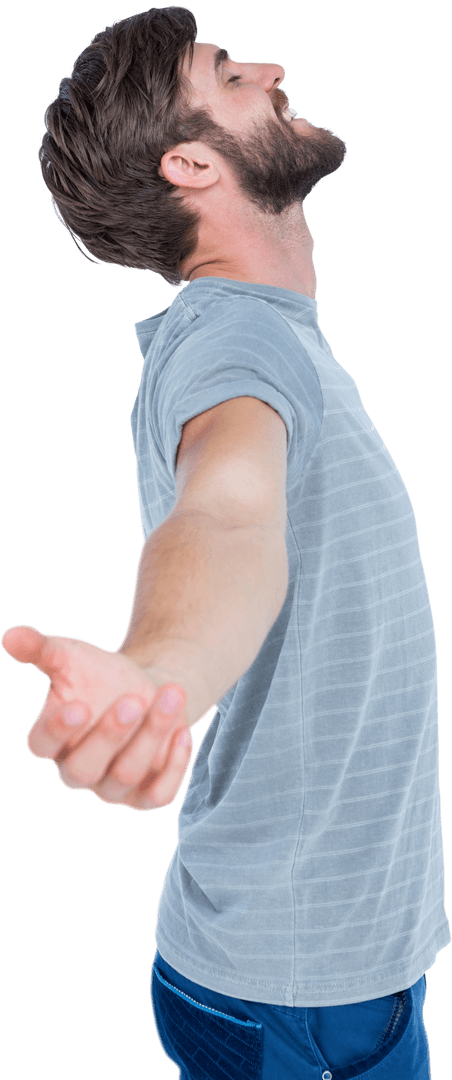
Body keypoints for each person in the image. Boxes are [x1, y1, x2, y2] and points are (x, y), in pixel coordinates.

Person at [2, 7, 449, 1078]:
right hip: (278, 1003)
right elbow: (225, 508)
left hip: (353, 975)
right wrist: (159, 674)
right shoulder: (237, 337)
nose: (272, 69)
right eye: (231, 73)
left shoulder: (270, 334)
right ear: (193, 163)